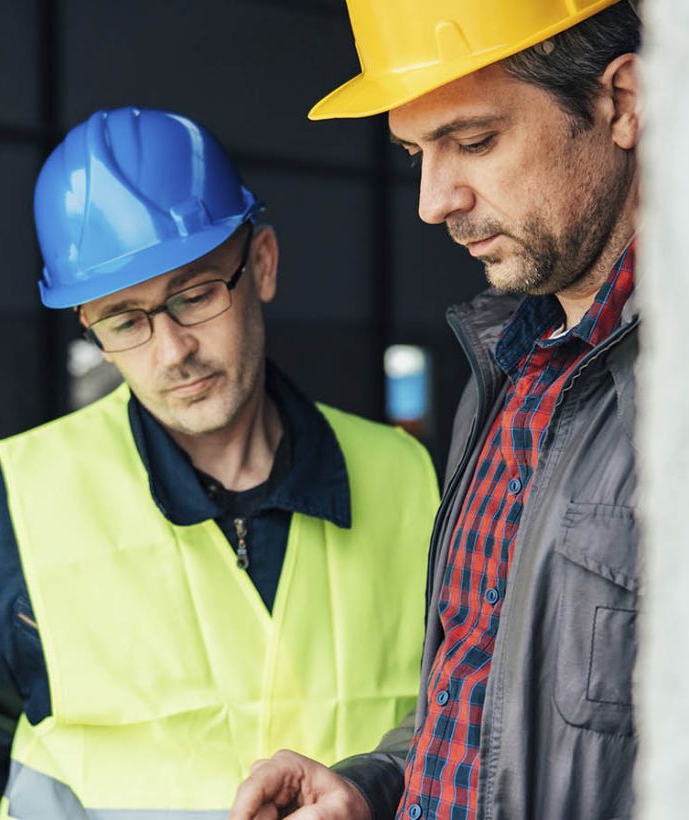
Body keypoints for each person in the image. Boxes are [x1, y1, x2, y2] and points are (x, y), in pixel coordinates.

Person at [0, 107, 440, 818]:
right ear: (89, 326)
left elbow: (470, 725)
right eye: (125, 320)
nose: (171, 352)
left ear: (265, 265)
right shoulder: (4, 515)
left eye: (195, 296)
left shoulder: (411, 482)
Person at [231, 1, 642, 818]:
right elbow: (489, 697)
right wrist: (380, 785)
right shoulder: (509, 371)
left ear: (622, 103)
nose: (431, 200)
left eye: (476, 141)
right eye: (416, 152)